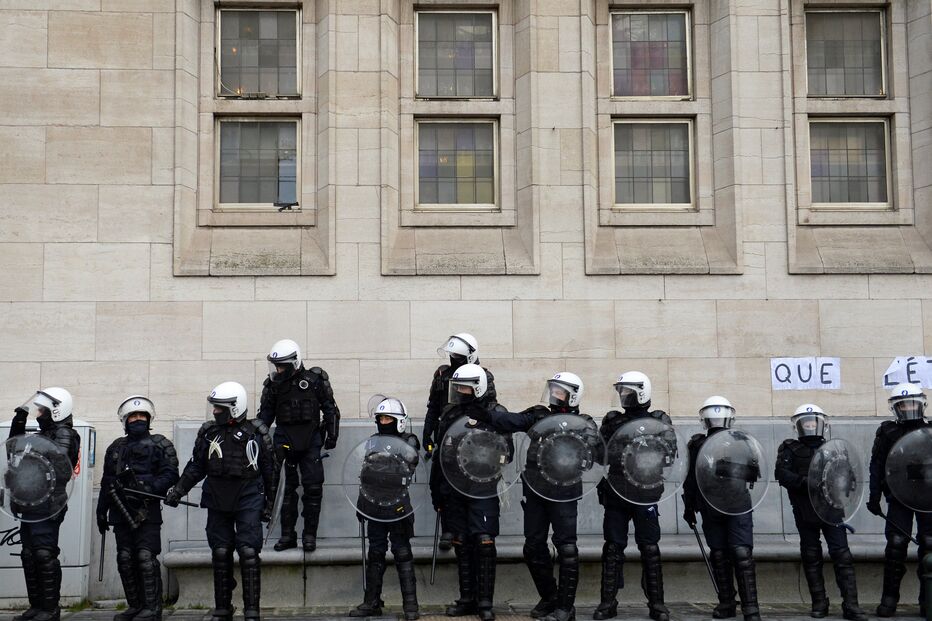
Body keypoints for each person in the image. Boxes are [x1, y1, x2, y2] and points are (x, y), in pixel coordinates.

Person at [466, 372, 596, 621]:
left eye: (560, 391)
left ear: (573, 395)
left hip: (564, 493)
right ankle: (550, 597)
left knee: (566, 547)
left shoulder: (584, 422)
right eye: (553, 390)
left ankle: (565, 608)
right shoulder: (539, 415)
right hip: (536, 490)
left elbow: (596, 455)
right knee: (533, 547)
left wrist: (579, 436)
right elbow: (508, 420)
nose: (554, 395)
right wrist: (481, 412)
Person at [165, 382, 278, 621]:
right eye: (214, 407)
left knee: (248, 551)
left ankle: (252, 611)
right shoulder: (208, 433)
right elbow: (197, 466)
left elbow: (270, 471)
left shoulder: (257, 432)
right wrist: (178, 490)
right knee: (220, 551)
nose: (215, 411)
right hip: (217, 497)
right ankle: (223, 608)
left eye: (220, 407)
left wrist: (270, 504)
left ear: (235, 407)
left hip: (248, 496)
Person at [434, 363, 512, 621]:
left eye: (464, 387)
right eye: (457, 387)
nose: (459, 392)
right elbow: (440, 453)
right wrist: (438, 492)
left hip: (483, 487)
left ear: (477, 387)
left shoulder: (496, 413)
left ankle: (485, 602)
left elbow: (507, 452)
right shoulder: (450, 413)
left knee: (484, 543)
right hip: (454, 487)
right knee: (461, 543)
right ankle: (467, 598)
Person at [593, 372, 673, 621]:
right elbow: (600, 454)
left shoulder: (659, 419)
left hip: (645, 492)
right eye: (622, 391)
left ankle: (657, 603)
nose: (623, 396)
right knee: (613, 547)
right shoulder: (613, 420)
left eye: (628, 392)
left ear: (642, 392)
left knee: (649, 548)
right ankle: (608, 602)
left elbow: (668, 453)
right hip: (617, 491)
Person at [775, 404, 866, 621]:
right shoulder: (789, 448)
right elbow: (782, 474)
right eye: (805, 422)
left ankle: (851, 604)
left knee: (842, 554)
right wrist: (807, 483)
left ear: (821, 424)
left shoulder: (834, 448)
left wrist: (836, 483)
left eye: (812, 422)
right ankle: (819, 602)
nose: (809, 426)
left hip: (832, 508)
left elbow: (849, 476)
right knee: (811, 555)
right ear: (798, 425)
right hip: (805, 509)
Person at [96, 396, 180, 621]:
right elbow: (107, 481)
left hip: (146, 511)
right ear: (125, 420)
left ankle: (152, 609)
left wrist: (148, 487)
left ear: (149, 418)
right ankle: (135, 606)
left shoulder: (160, 444)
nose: (137, 419)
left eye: (142, 415)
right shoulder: (116, 447)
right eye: (133, 416)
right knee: (125, 558)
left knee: (145, 557)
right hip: (120, 510)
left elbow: (171, 473)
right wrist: (100, 510)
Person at [682, 396, 761, 621]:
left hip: (737, 504)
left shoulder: (740, 441)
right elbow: (690, 478)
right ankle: (727, 602)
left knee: (742, 553)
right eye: (711, 418)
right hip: (710, 504)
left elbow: (753, 473)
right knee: (718, 554)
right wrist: (689, 506)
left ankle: (751, 607)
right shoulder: (697, 444)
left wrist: (723, 468)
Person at [258, 339, 340, 553]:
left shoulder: (314, 380)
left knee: (313, 489)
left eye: (283, 365)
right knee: (284, 491)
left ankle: (309, 536)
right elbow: (264, 417)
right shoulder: (273, 385)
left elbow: (330, 408)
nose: (278, 369)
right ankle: (288, 535)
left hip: (310, 440)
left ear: (295, 361)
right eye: (276, 365)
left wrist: (332, 435)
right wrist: (256, 441)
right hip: (284, 442)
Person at [9, 388, 81, 621]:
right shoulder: (40, 434)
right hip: (29, 502)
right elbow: (13, 448)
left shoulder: (65, 434)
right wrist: (18, 423)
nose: (38, 413)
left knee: (43, 555)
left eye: (42, 410)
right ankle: (36, 606)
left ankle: (50, 609)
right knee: (29, 555)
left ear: (57, 411)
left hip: (49, 503)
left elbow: (61, 466)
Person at [349, 396, 420, 621]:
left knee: (402, 552)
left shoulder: (410, 440)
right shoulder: (371, 441)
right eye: (381, 418)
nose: (384, 421)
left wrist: (381, 464)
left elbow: (403, 467)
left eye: (388, 417)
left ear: (399, 420)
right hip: (375, 505)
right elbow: (365, 474)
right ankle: (372, 602)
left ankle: (411, 606)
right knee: (376, 552)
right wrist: (362, 504)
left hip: (398, 506)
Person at [423, 333, 496, 551]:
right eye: (452, 354)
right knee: (441, 481)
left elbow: (490, 406)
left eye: (459, 355)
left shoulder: (483, 375)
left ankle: (471, 527)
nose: (454, 358)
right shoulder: (442, 374)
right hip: (447, 430)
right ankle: (448, 527)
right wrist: (428, 433)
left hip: (471, 433)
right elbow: (433, 407)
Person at [867, 382, 932, 617]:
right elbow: (877, 465)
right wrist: (874, 497)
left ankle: (928, 600)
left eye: (911, 403)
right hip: (898, 496)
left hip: (928, 499)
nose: (908, 408)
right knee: (895, 546)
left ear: (921, 404)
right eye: (903, 405)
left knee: (929, 545)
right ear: (896, 407)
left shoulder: (930, 429)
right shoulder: (888, 432)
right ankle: (889, 599)